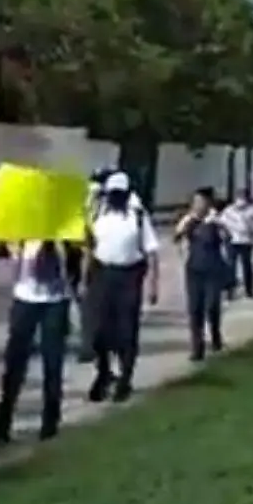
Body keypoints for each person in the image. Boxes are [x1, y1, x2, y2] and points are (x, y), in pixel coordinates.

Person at [0, 240, 72, 444]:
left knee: (53, 362)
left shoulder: (63, 236)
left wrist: (61, 246)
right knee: (15, 362)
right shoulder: (22, 235)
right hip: (24, 299)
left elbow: (75, 258)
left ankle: (50, 420)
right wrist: (11, 248)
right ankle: (3, 420)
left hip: (55, 300)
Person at [85, 171, 160, 403]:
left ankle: (125, 379)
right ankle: (104, 372)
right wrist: (85, 275)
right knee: (98, 331)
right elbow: (89, 244)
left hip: (129, 276)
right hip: (102, 274)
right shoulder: (98, 213)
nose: (115, 198)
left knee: (126, 332)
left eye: (119, 194)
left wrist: (153, 284)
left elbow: (151, 250)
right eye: (112, 194)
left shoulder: (137, 216)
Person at [175, 188, 229, 361]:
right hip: (194, 269)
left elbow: (227, 238)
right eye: (195, 202)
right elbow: (177, 237)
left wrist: (218, 225)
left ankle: (215, 336)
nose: (197, 205)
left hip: (213, 269)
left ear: (208, 204)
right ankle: (197, 347)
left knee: (212, 306)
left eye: (200, 202)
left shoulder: (216, 221)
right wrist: (185, 223)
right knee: (195, 309)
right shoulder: (190, 221)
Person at [219, 188, 253, 298]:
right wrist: (225, 235)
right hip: (232, 241)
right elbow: (222, 224)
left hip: (246, 241)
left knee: (247, 266)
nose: (241, 200)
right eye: (239, 197)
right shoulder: (228, 211)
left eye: (243, 198)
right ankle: (230, 291)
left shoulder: (251, 211)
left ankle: (249, 290)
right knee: (231, 266)